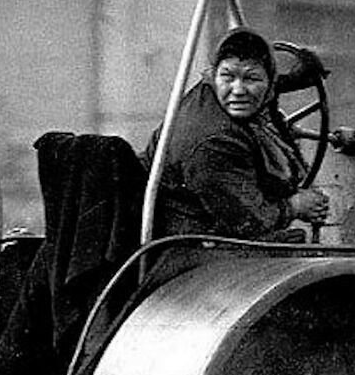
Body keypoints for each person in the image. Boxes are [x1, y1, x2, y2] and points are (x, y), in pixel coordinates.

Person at [141, 26, 329, 241]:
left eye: (251, 79)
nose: (238, 90)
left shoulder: (212, 92)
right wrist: (295, 206)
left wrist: (299, 78)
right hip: (188, 246)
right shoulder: (214, 143)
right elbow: (249, 220)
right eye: (228, 77)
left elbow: (257, 80)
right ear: (214, 75)